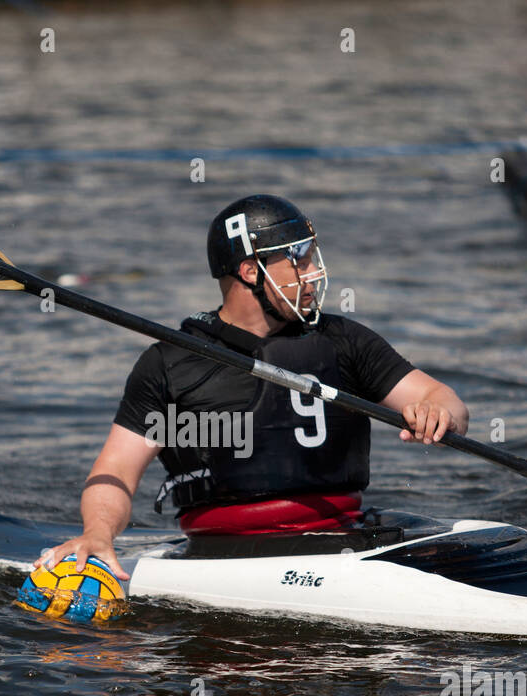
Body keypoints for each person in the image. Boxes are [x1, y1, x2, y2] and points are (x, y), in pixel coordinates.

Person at [37, 195, 468, 580]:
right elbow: (114, 472)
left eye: (312, 255)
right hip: (221, 552)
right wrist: (97, 533)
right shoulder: (169, 363)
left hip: (339, 537)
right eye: (298, 258)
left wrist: (438, 411)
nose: (314, 270)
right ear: (249, 271)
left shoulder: (344, 340)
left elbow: (443, 399)